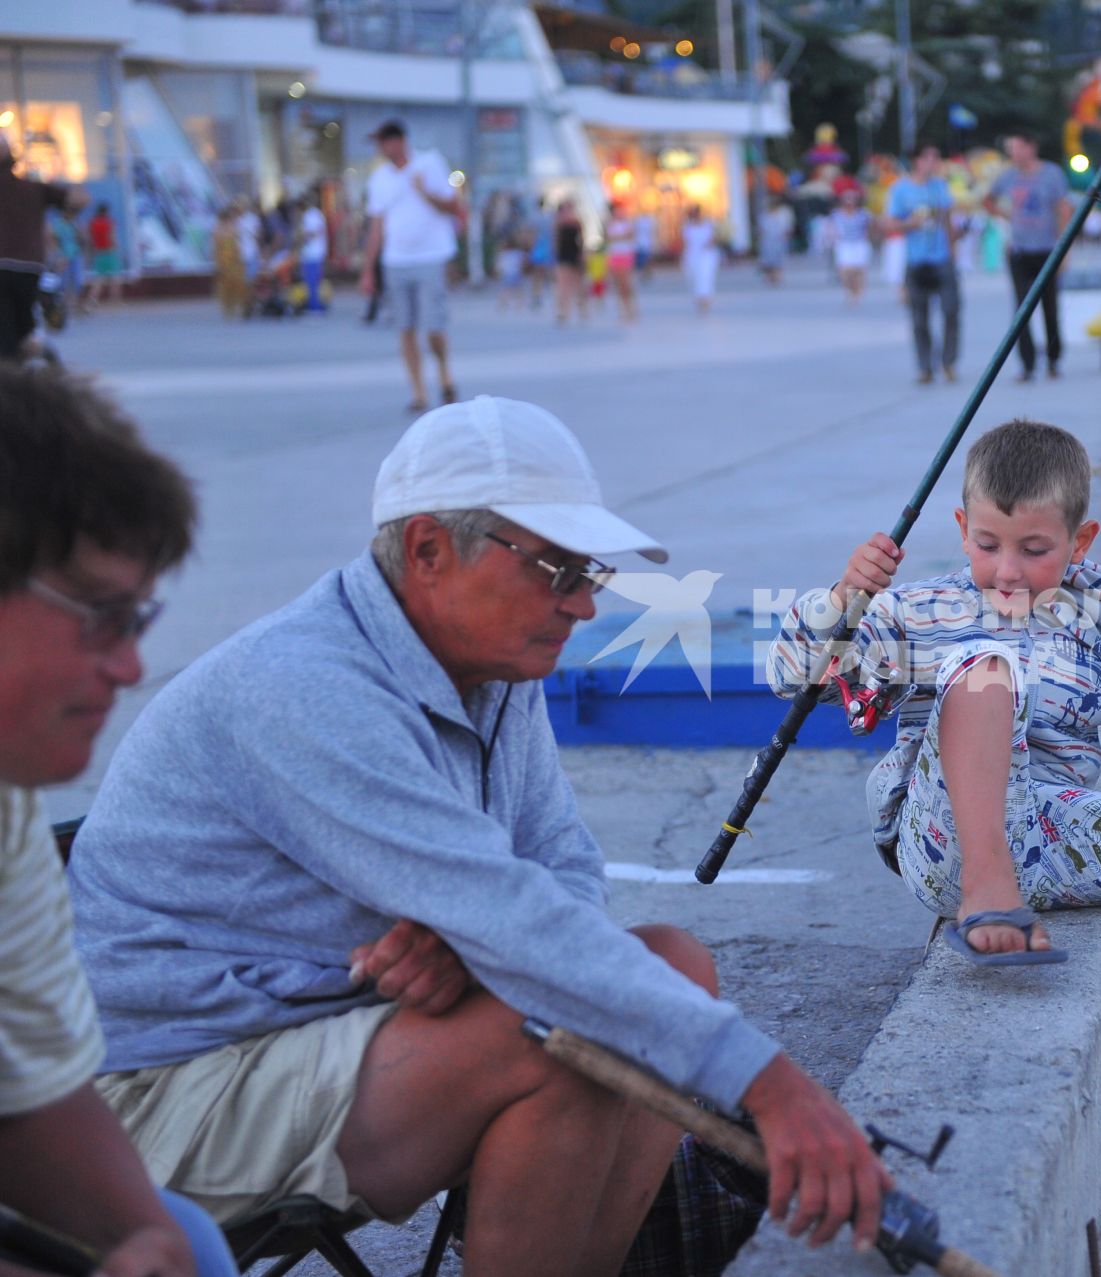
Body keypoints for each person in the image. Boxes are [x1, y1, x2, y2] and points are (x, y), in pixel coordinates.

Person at [67, 396, 893, 1273]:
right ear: (427, 549)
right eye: (555, 567)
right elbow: (512, 913)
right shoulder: (305, 687)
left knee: (670, 962)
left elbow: (561, 868)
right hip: (149, 1098)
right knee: (553, 1036)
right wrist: (772, 1087)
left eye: (590, 572)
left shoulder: (493, 666)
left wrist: (470, 941)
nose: (581, 603)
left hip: (308, 1033)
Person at [768, 419, 1101, 1105]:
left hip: (1048, 837)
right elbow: (792, 673)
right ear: (962, 525)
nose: (1006, 570)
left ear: (1079, 540)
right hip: (944, 846)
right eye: (987, 544)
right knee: (984, 667)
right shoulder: (916, 613)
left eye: (1034, 549)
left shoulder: (1100, 628)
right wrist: (844, 597)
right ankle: (987, 883)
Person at [0, 363, 239, 1277]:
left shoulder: (9, 798)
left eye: (140, 617)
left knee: (191, 1247)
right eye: (102, 616)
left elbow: (32, 1084)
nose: (135, 667)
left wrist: (143, 1237)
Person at [359, 119, 460, 413]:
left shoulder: (430, 163)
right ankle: (419, 391)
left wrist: (424, 191)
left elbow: (454, 207)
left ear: (399, 141)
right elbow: (376, 226)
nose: (380, 148)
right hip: (396, 259)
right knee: (405, 327)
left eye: (383, 141)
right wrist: (368, 269)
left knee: (433, 325)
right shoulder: (379, 178)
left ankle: (444, 376)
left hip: (431, 255)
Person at [985, 129, 1072, 383]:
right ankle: (1027, 364)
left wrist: (1063, 246)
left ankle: (1054, 360)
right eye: (1011, 149)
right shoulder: (1008, 176)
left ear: (1031, 147)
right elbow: (988, 200)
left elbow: (1063, 209)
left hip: (1047, 249)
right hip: (1020, 250)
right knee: (1021, 310)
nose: (1014, 153)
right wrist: (1006, 217)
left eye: (1018, 147)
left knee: (1050, 307)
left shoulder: (1051, 174)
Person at [885, 144, 960, 385]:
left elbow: (948, 222)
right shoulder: (901, 189)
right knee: (920, 317)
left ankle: (948, 361)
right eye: (928, 157)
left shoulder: (940, 187)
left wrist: (953, 251)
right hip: (916, 260)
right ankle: (925, 366)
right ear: (916, 161)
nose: (933, 162)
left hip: (942, 259)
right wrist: (912, 224)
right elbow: (890, 224)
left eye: (936, 157)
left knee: (951, 310)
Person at [0, 136, 70, 360]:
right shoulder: (32, 190)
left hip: (10, 268)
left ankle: (16, 370)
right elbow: (76, 199)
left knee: (9, 330)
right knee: (22, 324)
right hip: (29, 269)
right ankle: (35, 356)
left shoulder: (31, 190)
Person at [828, 187, 872, 307]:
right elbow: (831, 228)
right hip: (844, 244)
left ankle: (857, 294)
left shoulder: (864, 214)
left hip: (859, 243)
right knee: (845, 271)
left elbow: (870, 227)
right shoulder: (836, 214)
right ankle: (848, 291)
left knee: (858, 270)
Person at [604, 201, 639, 324]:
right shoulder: (610, 224)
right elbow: (609, 239)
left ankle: (631, 309)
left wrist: (618, 238)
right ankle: (623, 311)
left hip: (625, 255)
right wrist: (620, 237)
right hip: (615, 256)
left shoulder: (627, 223)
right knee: (618, 285)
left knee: (627, 284)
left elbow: (629, 236)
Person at [83, 203, 123, 309]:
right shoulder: (109, 222)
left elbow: (89, 239)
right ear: (106, 212)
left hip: (99, 252)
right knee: (115, 277)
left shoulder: (93, 223)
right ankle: (115, 301)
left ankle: (92, 300)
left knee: (98, 279)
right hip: (109, 252)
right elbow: (112, 237)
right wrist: (117, 248)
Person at [681, 205, 719, 313]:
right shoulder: (687, 226)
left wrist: (710, 244)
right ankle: (699, 298)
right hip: (692, 255)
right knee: (694, 277)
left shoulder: (708, 224)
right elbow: (685, 242)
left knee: (705, 277)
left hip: (707, 255)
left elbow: (714, 238)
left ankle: (705, 299)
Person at [212, 204, 248, 319]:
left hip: (234, 260)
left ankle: (237, 306)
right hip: (225, 261)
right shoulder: (218, 230)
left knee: (237, 284)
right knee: (225, 285)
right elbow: (216, 248)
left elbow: (238, 245)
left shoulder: (233, 228)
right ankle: (228, 307)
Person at [297, 193, 329, 313]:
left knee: (311, 281)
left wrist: (302, 237)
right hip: (317, 252)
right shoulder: (318, 214)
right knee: (315, 281)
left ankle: (314, 306)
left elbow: (313, 232)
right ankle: (316, 304)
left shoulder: (310, 215)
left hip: (312, 253)